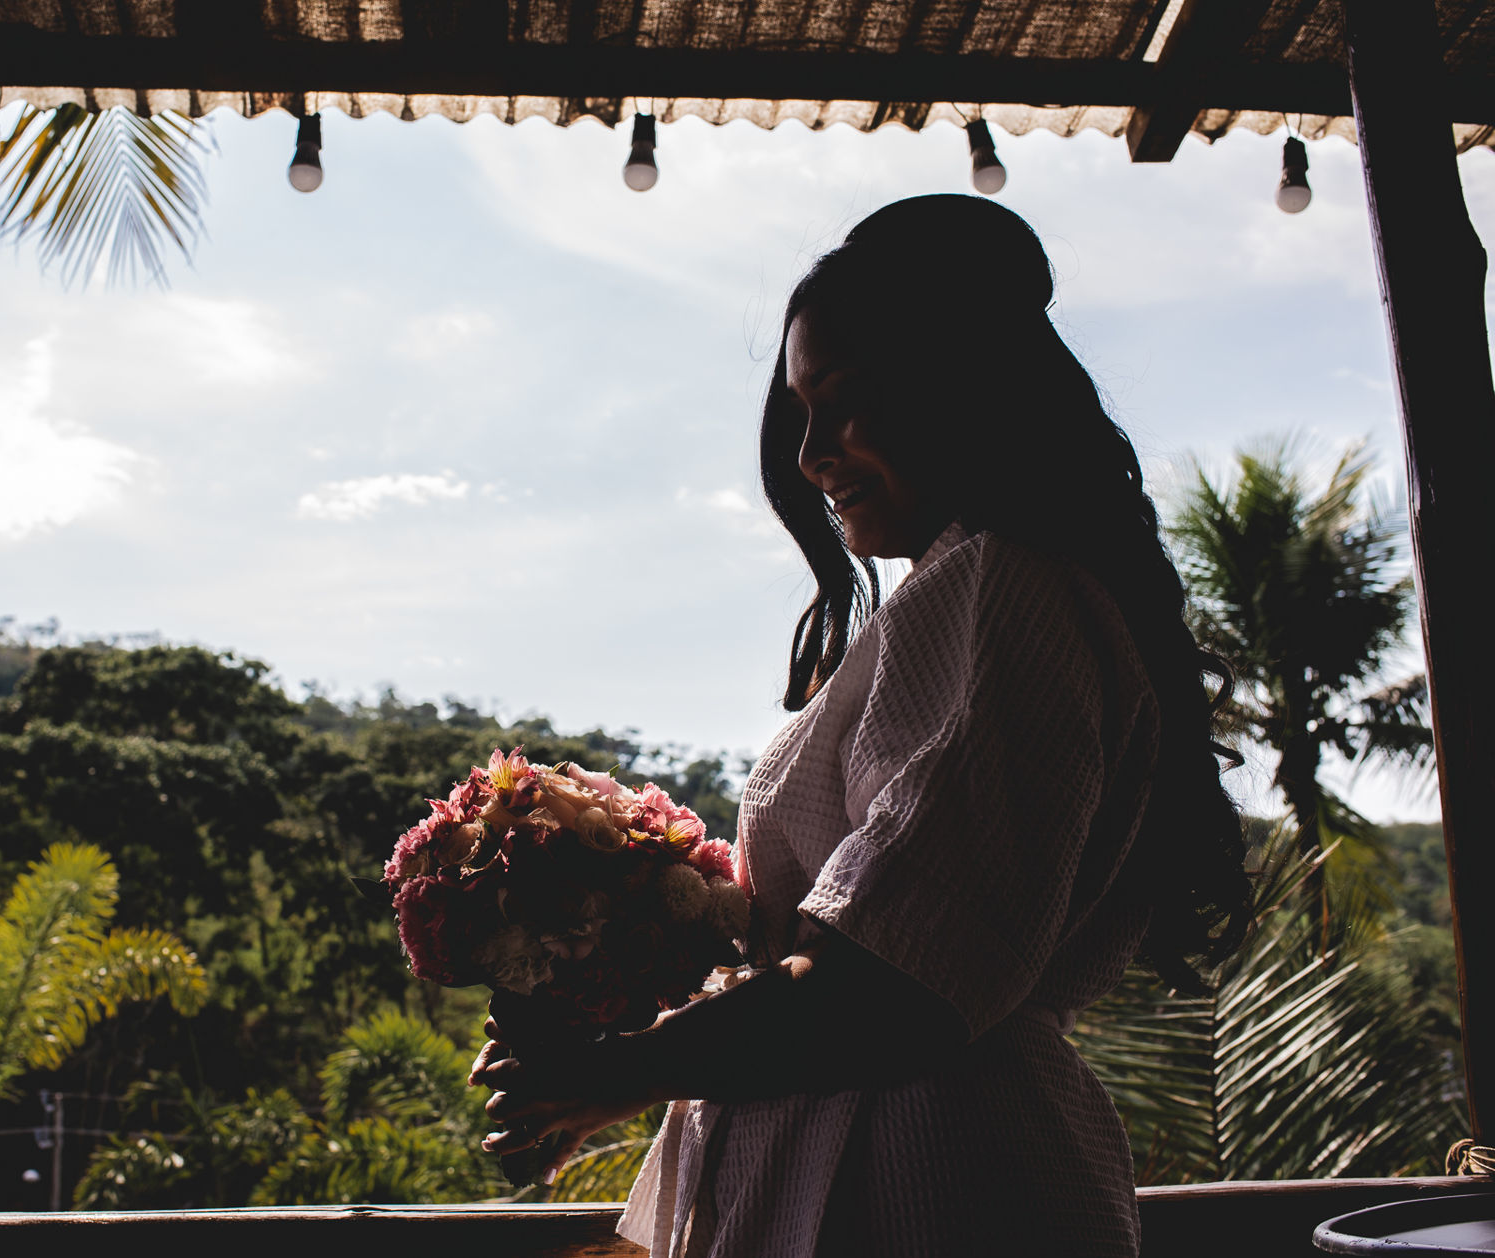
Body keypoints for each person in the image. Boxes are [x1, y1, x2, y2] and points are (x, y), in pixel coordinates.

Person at [470, 194, 1252, 1257]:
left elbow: (899, 984)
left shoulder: (1002, 588)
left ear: (957, 384)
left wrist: (626, 1065)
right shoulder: (962, 593)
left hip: (927, 1184)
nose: (809, 455)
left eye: (842, 401)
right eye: (800, 410)